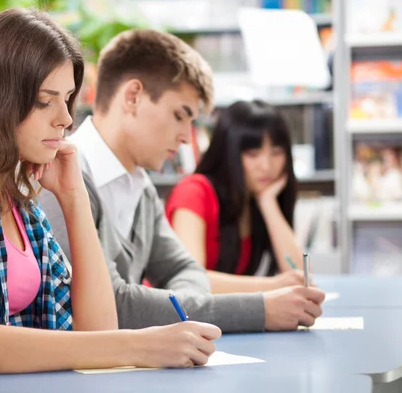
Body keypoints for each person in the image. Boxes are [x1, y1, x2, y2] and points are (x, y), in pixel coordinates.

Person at [0, 9, 220, 392]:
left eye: (67, 99)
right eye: (44, 101)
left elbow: (98, 329)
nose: (66, 118)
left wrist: (73, 197)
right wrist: (139, 346)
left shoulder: (13, 187)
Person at [38, 29, 325, 334]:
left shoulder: (140, 185)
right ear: (133, 97)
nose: (186, 138)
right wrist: (259, 310)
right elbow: (113, 305)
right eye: (179, 115)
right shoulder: (62, 178)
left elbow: (184, 269)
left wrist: (182, 306)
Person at [166, 100, 308, 294]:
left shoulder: (254, 200)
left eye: (276, 153)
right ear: (228, 153)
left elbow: (300, 275)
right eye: (253, 154)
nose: (266, 166)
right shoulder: (194, 191)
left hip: (215, 319)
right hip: (171, 319)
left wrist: (268, 203)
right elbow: (191, 281)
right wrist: (275, 286)